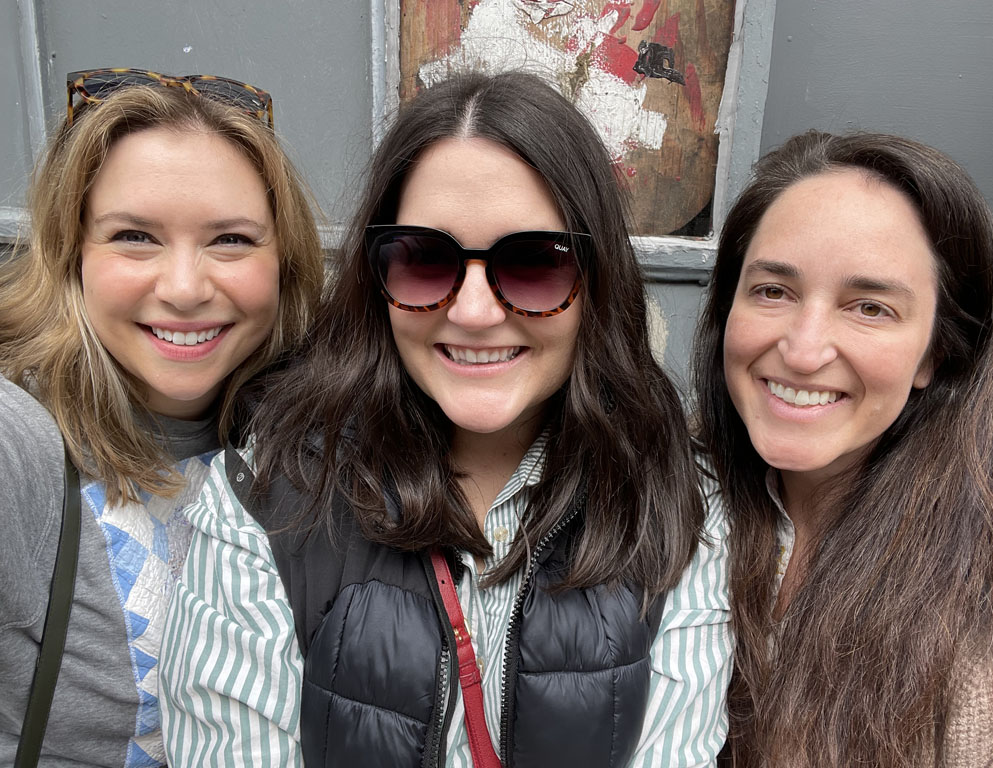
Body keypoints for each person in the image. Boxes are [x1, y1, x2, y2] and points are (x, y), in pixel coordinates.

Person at [160, 71, 732, 766]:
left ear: (597, 281)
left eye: (532, 265)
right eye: (425, 261)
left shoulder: (682, 503)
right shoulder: (265, 496)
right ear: (379, 280)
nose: (473, 312)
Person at [0, 70, 323, 766]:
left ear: (284, 261)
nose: (183, 288)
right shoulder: (21, 444)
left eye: (231, 240)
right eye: (135, 236)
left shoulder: (313, 441)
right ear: (71, 252)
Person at [693, 130, 993, 767]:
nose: (804, 349)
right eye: (772, 291)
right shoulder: (670, 500)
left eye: (869, 307)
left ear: (936, 351)